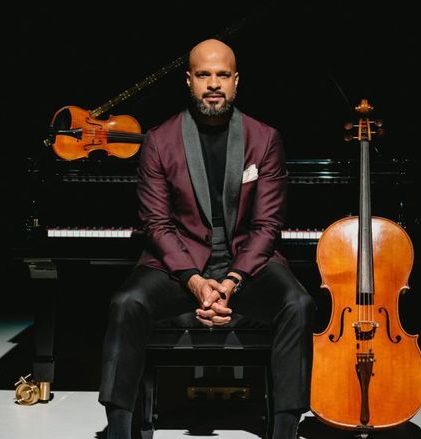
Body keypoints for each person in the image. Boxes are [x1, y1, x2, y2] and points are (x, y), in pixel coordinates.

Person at [98, 38, 314, 439]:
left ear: (235, 82)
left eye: (221, 75)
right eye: (203, 75)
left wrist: (232, 281)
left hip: (247, 264)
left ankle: (285, 429)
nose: (213, 84)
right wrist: (195, 281)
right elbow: (157, 225)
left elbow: (267, 226)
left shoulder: (264, 138)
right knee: (126, 303)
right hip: (177, 265)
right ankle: (119, 429)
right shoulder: (158, 140)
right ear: (189, 81)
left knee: (298, 303)